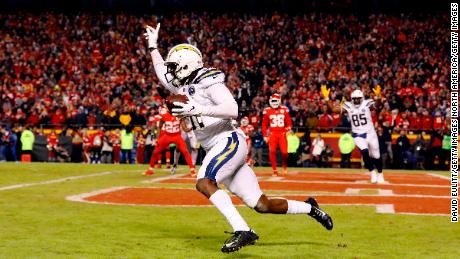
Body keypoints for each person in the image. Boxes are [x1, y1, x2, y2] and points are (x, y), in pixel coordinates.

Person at [144, 24, 332, 253]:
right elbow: (161, 71)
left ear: (186, 64)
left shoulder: (207, 80)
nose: (170, 71)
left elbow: (232, 109)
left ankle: (243, 230)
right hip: (216, 145)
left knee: (204, 182)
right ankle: (311, 208)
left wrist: (198, 109)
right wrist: (153, 46)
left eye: (174, 66)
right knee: (261, 204)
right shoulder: (184, 83)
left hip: (228, 139)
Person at [323, 87, 384, 183]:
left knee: (376, 155)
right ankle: (372, 171)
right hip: (358, 135)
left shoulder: (366, 103)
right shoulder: (348, 105)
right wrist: (327, 98)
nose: (356, 101)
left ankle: (380, 173)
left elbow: (377, 105)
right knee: (364, 152)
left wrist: (378, 97)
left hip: (370, 133)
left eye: (357, 98)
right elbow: (334, 109)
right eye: (354, 99)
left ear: (362, 98)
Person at [143, 106, 196, 176]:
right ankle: (150, 170)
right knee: (155, 152)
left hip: (177, 136)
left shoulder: (179, 115)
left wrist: (190, 129)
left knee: (185, 151)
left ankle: (192, 170)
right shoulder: (164, 115)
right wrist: (158, 137)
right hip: (167, 136)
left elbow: (184, 128)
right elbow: (159, 126)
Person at [261, 93, 293, 176]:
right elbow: (264, 125)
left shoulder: (284, 109)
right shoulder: (267, 110)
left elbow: (289, 123)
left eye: (275, 101)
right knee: (272, 151)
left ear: (279, 101)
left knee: (285, 152)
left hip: (282, 134)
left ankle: (284, 166)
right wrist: (265, 135)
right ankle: (274, 170)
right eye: (273, 101)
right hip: (272, 134)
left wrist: (288, 129)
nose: (274, 102)